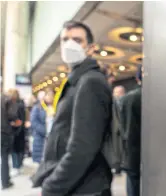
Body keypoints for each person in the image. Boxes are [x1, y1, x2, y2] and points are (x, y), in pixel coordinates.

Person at [31, 20, 113, 196]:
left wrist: (52, 187)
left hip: (85, 187)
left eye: (77, 40)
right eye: (65, 39)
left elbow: (82, 147)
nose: (69, 45)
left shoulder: (90, 82)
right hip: (75, 184)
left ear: (90, 48)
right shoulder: (76, 82)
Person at [120, 65, 142, 196]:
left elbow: (122, 128)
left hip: (132, 151)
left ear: (137, 78)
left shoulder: (127, 99)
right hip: (155, 154)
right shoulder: (159, 97)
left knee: (133, 186)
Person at [31, 89, 54, 164]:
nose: (50, 97)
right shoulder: (38, 107)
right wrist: (45, 131)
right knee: (40, 161)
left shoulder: (57, 107)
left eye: (52, 95)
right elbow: (34, 122)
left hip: (53, 137)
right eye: (48, 95)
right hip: (41, 137)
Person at [7, 89, 26, 176]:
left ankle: (16, 166)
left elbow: (20, 119)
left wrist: (14, 125)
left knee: (15, 150)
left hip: (16, 130)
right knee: (18, 149)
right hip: (19, 130)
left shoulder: (17, 105)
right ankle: (18, 165)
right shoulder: (20, 104)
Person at [1, 94, 16, 189]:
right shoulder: (5, 99)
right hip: (4, 132)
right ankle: (5, 182)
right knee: (5, 158)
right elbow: (12, 115)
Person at [111, 86, 126, 174]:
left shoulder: (124, 101)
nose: (116, 94)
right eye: (115, 92)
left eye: (118, 92)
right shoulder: (113, 102)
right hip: (117, 130)